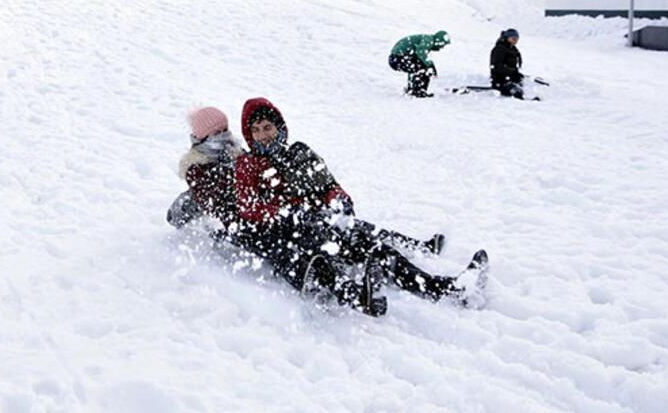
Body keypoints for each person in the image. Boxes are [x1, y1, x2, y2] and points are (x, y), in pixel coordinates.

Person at [234, 97, 488, 308]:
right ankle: (357, 295)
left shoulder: (300, 152)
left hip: (323, 222)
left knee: (376, 248)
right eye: (255, 131)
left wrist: (339, 203)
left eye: (267, 127)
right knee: (319, 258)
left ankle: (446, 290)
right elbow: (249, 207)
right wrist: (291, 213)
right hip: (290, 232)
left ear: (279, 126)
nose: (263, 136)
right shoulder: (248, 165)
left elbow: (330, 186)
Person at [168, 107, 388, 316]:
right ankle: (345, 292)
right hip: (235, 225)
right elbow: (218, 204)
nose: (224, 135)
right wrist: (247, 207)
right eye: (217, 132)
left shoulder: (234, 152)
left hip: (259, 212)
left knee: (303, 230)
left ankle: (352, 258)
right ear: (203, 138)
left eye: (225, 129)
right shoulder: (196, 167)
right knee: (279, 247)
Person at [388, 31, 451, 98]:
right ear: (438, 41)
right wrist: (430, 65)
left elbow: (419, 57)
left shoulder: (427, 39)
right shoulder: (428, 40)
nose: (442, 47)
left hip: (395, 59)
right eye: (442, 45)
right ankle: (418, 92)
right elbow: (421, 52)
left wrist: (429, 66)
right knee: (422, 69)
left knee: (417, 67)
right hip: (397, 58)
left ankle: (413, 90)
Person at [490, 28, 525, 100]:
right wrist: (511, 72)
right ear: (507, 38)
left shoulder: (512, 48)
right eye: (513, 38)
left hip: (509, 78)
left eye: (517, 39)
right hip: (500, 79)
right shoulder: (500, 49)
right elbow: (497, 66)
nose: (515, 41)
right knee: (517, 93)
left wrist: (515, 73)